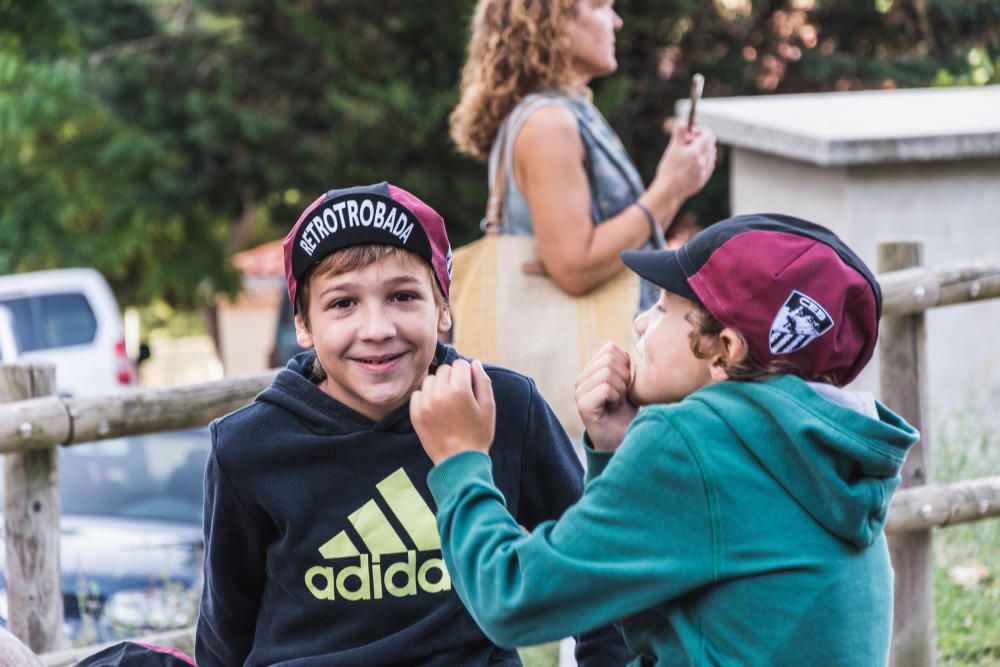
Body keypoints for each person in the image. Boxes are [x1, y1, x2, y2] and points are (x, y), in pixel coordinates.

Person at [411, 213, 921, 665]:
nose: (640, 320)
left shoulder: (691, 441)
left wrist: (461, 459)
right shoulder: (824, 449)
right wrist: (615, 449)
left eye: (662, 308)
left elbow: (514, 600)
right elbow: (652, 589)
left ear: (724, 350)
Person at [195, 182, 630, 666]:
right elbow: (224, 639)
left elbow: (595, 575)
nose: (377, 329)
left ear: (443, 307)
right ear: (303, 324)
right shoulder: (247, 447)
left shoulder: (502, 407)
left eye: (402, 296)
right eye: (343, 303)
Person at [449, 0, 717, 310]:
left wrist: (677, 183)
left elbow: (632, 241)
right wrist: (668, 188)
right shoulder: (547, 123)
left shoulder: (570, 109)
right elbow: (575, 269)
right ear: (557, 25)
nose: (616, 22)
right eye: (601, 7)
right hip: (581, 353)